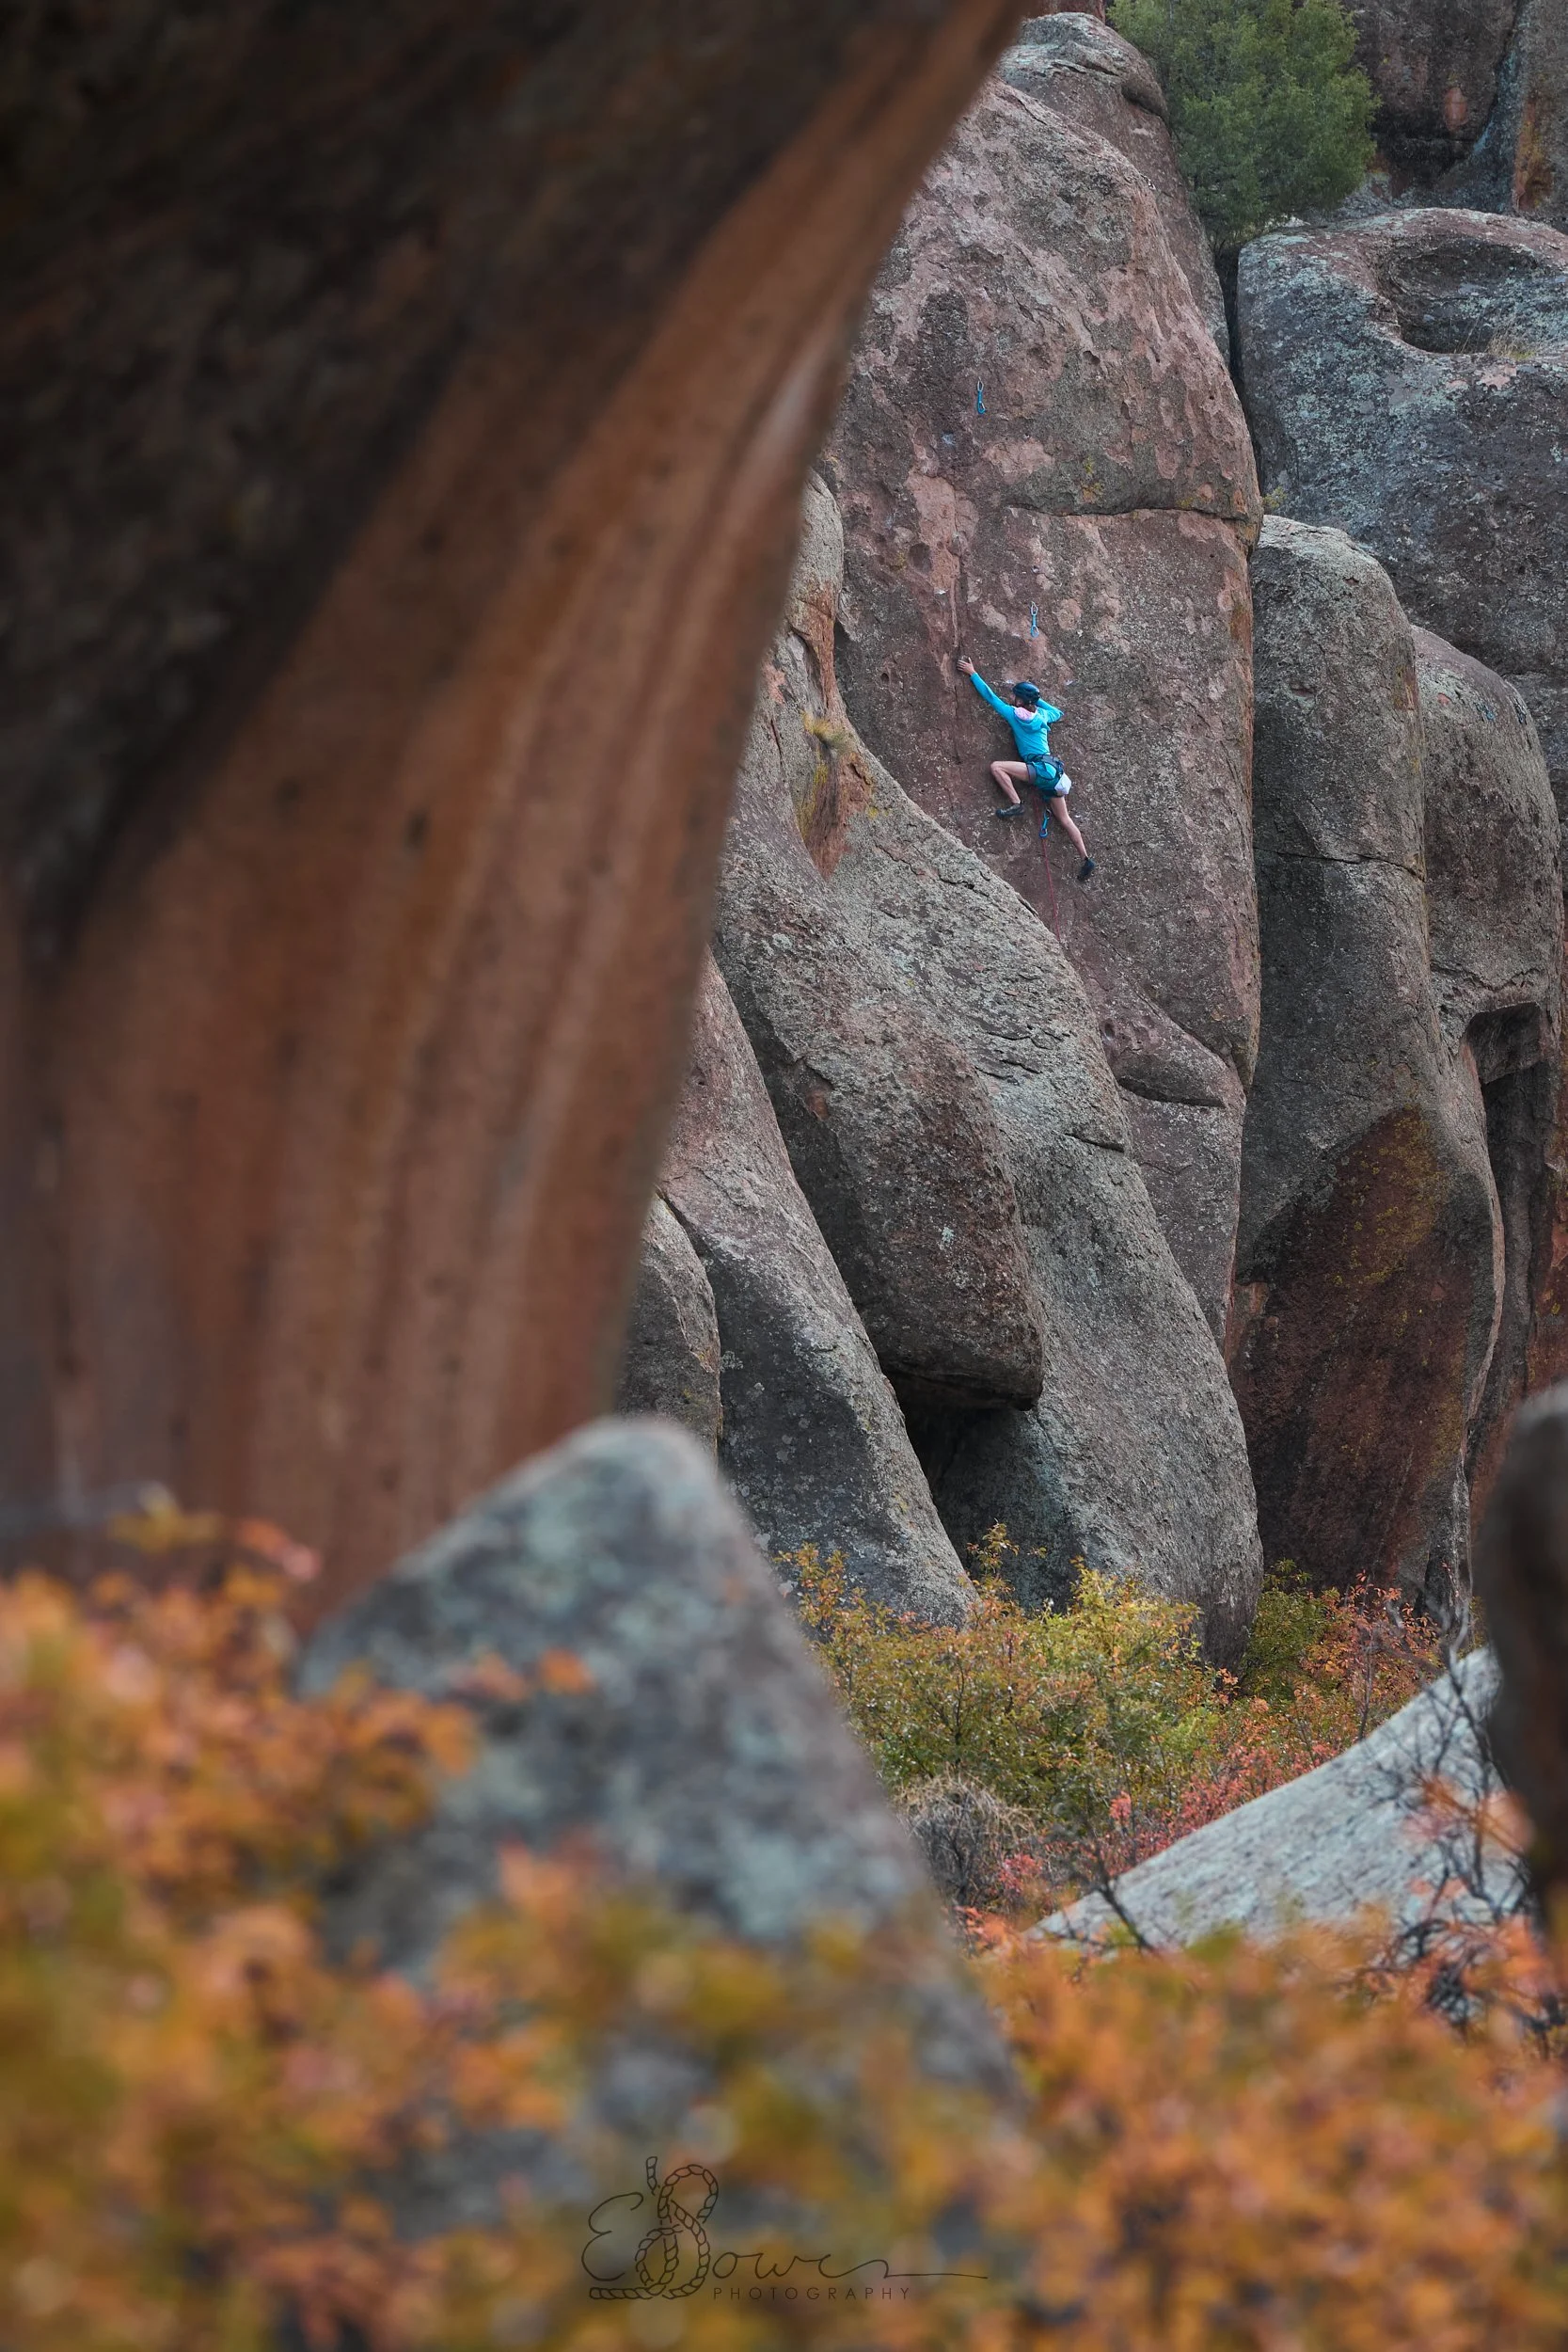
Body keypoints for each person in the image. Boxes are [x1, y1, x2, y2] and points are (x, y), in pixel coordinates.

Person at [958, 656, 1095, 882]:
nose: (1011, 698)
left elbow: (990, 697)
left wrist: (973, 674)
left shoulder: (1014, 715)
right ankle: (1086, 858)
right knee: (1065, 819)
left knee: (997, 767)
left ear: (1020, 701)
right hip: (1055, 773)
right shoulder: (1043, 716)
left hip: (1039, 768)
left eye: (1015, 696)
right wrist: (1037, 701)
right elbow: (1058, 712)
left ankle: (1016, 804)